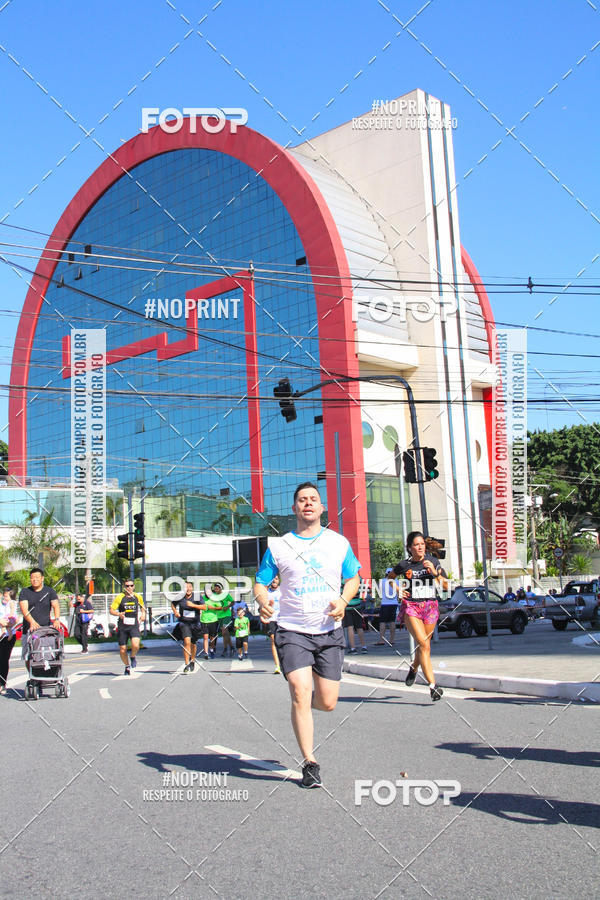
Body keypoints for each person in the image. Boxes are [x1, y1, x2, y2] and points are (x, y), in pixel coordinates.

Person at [254, 482, 361, 789]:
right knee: (301, 692)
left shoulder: (338, 543)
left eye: (313, 499)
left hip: (328, 630)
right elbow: (260, 583)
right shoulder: (279, 545)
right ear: (294, 509)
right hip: (292, 630)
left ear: (322, 507)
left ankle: (301, 708)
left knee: (327, 702)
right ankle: (310, 762)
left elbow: (353, 578)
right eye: (302, 500)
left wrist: (342, 601)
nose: (308, 503)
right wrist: (263, 602)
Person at [394, 531, 448, 702]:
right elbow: (389, 578)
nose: (420, 547)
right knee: (424, 645)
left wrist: (434, 573)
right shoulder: (404, 565)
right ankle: (433, 686)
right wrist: (397, 590)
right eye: (416, 545)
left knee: (423, 646)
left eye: (422, 544)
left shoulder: (433, 561)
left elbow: (446, 586)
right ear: (410, 548)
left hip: (430, 607)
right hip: (411, 606)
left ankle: (414, 668)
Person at [19, 568, 61, 671]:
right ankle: (32, 676)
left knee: (45, 654)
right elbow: (24, 610)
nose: (34, 580)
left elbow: (55, 606)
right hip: (29, 630)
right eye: (32, 578)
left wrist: (57, 619)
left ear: (42, 578)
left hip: (45, 630)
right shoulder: (25, 592)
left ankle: (48, 674)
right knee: (28, 655)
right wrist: (32, 622)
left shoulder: (49, 591)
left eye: (37, 577)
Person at [110, 579, 146, 675]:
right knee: (122, 649)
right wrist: (118, 614)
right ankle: (127, 666)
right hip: (123, 626)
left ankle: (133, 656)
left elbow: (143, 607)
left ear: (133, 586)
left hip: (133, 624)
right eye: (127, 586)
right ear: (124, 587)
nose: (129, 587)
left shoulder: (137, 597)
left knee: (135, 645)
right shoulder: (120, 597)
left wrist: (143, 614)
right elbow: (111, 610)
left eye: (131, 585)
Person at [171, 581, 205, 673]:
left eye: (189, 587)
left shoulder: (197, 596)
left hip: (195, 623)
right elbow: (173, 604)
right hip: (184, 623)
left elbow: (204, 607)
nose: (188, 589)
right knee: (186, 641)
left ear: (192, 588)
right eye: (185, 587)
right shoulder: (180, 597)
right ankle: (186, 664)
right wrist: (175, 612)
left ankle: (192, 660)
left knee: (193, 644)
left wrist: (193, 605)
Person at [0, 588, 18, 694]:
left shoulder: (9, 604)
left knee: (3, 659)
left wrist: (8, 624)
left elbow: (15, 619)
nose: (4, 597)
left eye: (5, 595)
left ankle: (2, 684)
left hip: (7, 637)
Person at [375, 569, 399, 646]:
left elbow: (379, 592)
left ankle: (381, 639)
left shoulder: (382, 581)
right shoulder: (397, 581)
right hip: (394, 602)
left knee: (382, 622)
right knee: (392, 621)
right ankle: (392, 639)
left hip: (385, 603)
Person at [263, 575, 281, 674]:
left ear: (279, 581)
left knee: (284, 642)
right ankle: (277, 666)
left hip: (283, 618)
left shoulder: (283, 591)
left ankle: (284, 663)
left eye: (276, 579)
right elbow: (261, 606)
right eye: (273, 579)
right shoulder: (266, 593)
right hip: (271, 619)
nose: (274, 580)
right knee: (273, 641)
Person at [343, 583, 367, 654]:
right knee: (359, 627)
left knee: (350, 627)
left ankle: (353, 648)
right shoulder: (359, 579)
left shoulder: (343, 580)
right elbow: (363, 591)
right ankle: (364, 647)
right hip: (357, 605)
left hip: (347, 606)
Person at [199, 586, 222, 659]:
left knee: (212, 638)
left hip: (213, 620)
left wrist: (213, 608)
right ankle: (206, 653)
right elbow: (198, 606)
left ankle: (211, 650)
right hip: (204, 620)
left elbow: (220, 607)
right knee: (205, 637)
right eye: (206, 591)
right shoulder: (202, 599)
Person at [213, 583, 235, 658]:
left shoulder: (225, 595)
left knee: (224, 631)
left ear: (220, 588)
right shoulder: (213, 596)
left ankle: (225, 649)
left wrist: (228, 606)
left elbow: (233, 602)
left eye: (217, 588)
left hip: (226, 615)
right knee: (225, 633)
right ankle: (231, 647)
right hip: (219, 616)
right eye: (215, 588)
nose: (216, 589)